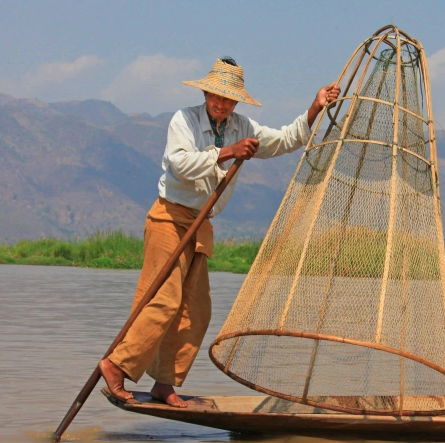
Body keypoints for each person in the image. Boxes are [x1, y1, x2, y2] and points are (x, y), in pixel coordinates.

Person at [99, 56, 340, 407]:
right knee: (162, 299)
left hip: (201, 224)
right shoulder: (184, 120)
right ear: (206, 93)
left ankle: (164, 383)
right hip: (169, 217)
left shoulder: (243, 126)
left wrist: (315, 107)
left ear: (236, 101)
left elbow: (287, 139)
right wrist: (226, 152)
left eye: (227, 99)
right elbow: (179, 165)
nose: (220, 103)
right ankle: (116, 365)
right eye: (215, 96)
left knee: (196, 309)